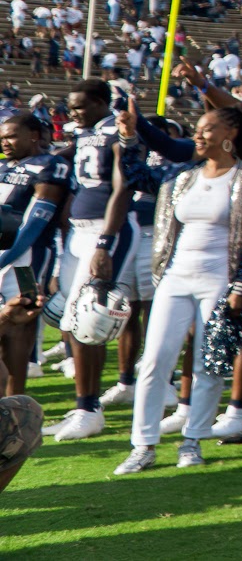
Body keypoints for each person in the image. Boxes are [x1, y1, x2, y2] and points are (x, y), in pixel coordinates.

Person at [110, 103, 242, 475]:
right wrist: (128, 137)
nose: (198, 135)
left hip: (220, 280)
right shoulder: (182, 174)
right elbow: (137, 177)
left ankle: (193, 440)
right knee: (155, 360)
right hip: (175, 277)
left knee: (207, 363)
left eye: (207, 128)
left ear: (230, 134)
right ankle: (143, 445)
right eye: (197, 128)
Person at [45, 80, 144, 442]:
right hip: (79, 231)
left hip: (106, 229)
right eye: (71, 107)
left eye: (82, 106)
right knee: (73, 320)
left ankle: (89, 412)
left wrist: (105, 242)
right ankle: (86, 406)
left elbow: (123, 187)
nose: (74, 113)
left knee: (89, 317)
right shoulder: (85, 134)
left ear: (103, 103)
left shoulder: (115, 130)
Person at [0, 111, 71, 395]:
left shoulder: (50, 165)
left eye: (11, 136)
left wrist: (5, 258)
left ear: (33, 135)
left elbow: (34, 223)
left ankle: (15, 402)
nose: (5, 142)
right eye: (2, 137)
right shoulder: (4, 165)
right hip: (3, 254)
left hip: (27, 259)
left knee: (20, 327)